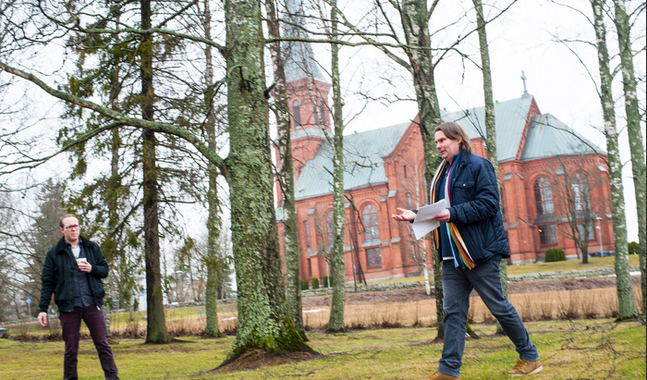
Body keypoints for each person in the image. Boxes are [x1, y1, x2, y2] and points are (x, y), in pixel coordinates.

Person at [392, 122, 542, 379]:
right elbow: (439, 210)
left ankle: (530, 356)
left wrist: (453, 213)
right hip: (451, 255)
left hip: (478, 252)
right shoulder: (442, 172)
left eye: (442, 141)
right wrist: (415, 215)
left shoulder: (477, 166)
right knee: (453, 313)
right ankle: (448, 371)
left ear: (458, 139)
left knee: (498, 306)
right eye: (436, 141)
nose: (438, 145)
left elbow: (489, 204)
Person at [38, 214, 120, 380]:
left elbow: (104, 270)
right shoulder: (54, 253)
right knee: (71, 349)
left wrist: (92, 268)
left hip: (92, 304)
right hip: (68, 307)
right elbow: (48, 283)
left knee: (103, 345)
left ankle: (112, 378)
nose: (73, 229)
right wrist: (43, 309)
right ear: (62, 230)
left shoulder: (92, 248)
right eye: (69, 227)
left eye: (76, 226)